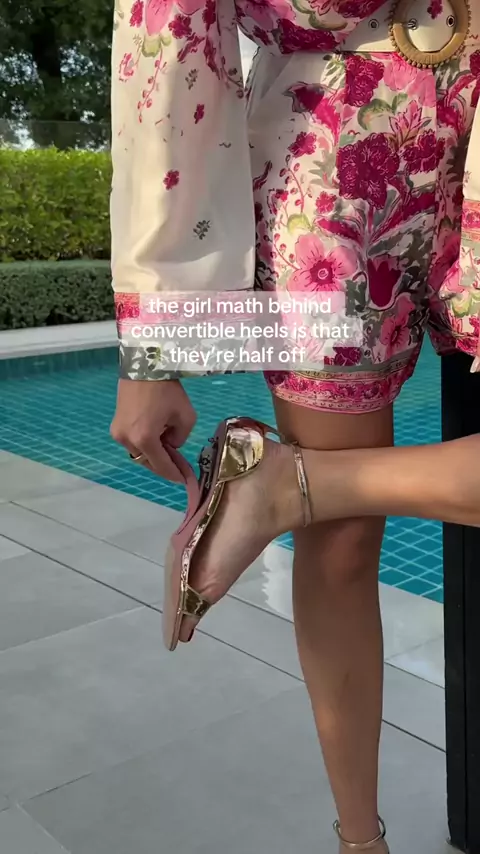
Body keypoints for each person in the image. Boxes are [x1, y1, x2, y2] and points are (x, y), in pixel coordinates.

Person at [109, 1, 480, 851]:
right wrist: (156, 347)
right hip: (332, 173)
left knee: (332, 513)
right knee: (343, 545)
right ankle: (361, 841)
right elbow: (170, 36)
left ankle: (286, 485)